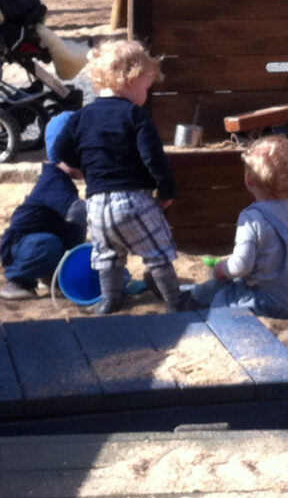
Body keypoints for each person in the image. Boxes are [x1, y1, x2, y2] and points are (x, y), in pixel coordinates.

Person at [52, 39, 184, 315]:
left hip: (96, 204)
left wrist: (86, 164)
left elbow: (60, 150)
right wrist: (167, 190)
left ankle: (109, 301)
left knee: (108, 255)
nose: (146, 95)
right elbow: (153, 157)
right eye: (147, 87)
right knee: (158, 253)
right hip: (132, 199)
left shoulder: (81, 116)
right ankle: (176, 302)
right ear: (132, 80)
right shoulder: (135, 115)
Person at [188, 135, 288, 318]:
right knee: (236, 281)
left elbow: (241, 266)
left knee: (221, 288)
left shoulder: (253, 218)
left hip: (264, 303)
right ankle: (192, 292)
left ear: (249, 179)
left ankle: (188, 296)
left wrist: (220, 269)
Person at [0, 111, 85, 300]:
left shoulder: (63, 181)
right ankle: (17, 281)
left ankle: (54, 275)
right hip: (20, 245)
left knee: (74, 230)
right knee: (50, 242)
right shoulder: (53, 180)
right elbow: (77, 211)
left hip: (38, 242)